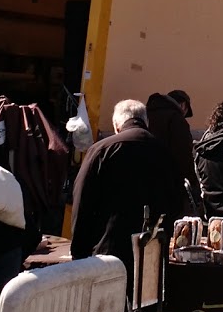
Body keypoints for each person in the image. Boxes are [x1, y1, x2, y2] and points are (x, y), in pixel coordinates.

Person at [69, 99, 184, 299]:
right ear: (145, 122)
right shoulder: (165, 153)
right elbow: (176, 202)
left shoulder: (101, 150)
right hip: (150, 253)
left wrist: (79, 253)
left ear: (116, 125)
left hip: (107, 251)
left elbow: (82, 202)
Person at [146, 89, 201, 212]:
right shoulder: (176, 119)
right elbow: (183, 154)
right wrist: (193, 181)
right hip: (168, 183)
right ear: (183, 105)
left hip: (144, 179)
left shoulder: (146, 114)